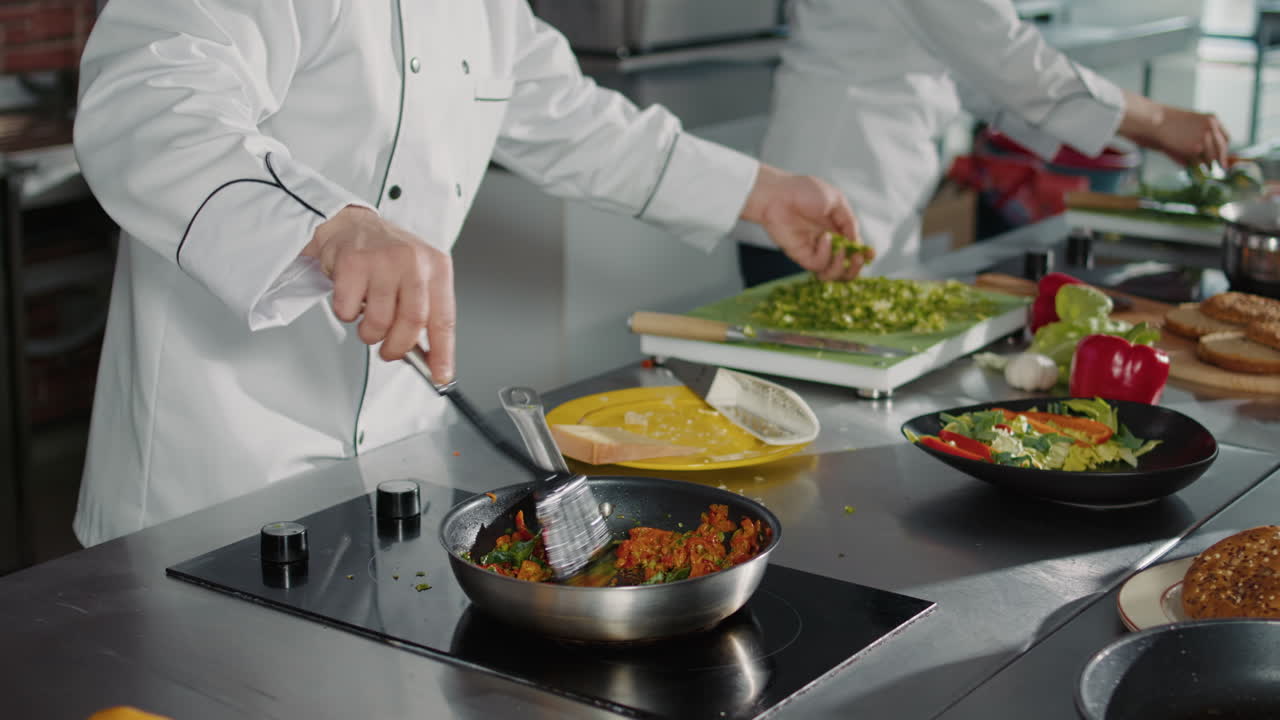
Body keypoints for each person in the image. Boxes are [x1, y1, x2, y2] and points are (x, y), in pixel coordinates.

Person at [69, 1, 867, 546]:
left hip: (395, 449)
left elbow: (575, 121)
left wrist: (760, 193)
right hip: (217, 465)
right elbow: (149, 100)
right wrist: (330, 225)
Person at [734, 0, 1231, 285]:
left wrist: (1117, 130)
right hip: (822, 207)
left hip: (869, 199)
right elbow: (1011, 64)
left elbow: (976, 74)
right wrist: (1157, 118)